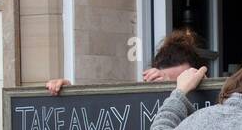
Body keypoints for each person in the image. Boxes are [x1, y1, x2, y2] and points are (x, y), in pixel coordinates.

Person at [45, 27, 202, 94]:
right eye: (169, 84)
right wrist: (70, 97)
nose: (180, 89)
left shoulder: (213, 108)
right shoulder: (140, 109)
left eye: (185, 81)